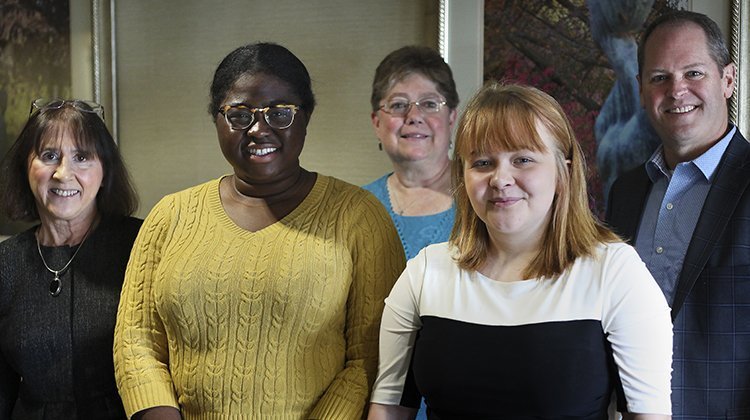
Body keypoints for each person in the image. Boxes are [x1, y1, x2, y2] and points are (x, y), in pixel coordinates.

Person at [113, 42, 406, 419]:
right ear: (216, 119)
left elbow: (371, 357)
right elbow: (136, 341)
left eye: (280, 113)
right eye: (239, 114)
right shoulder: (170, 216)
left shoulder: (358, 216)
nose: (258, 129)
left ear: (306, 117)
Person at [369, 82, 673, 419]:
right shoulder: (425, 272)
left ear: (564, 171)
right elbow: (388, 408)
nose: (501, 178)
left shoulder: (615, 272)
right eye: (482, 162)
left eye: (523, 159)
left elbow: (648, 414)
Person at [606, 10, 749, 418]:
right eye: (659, 78)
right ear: (640, 90)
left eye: (694, 73)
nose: (677, 91)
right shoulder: (626, 192)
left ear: (727, 80)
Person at [0, 98, 142, 419]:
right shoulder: (5, 264)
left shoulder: (140, 245)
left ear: (105, 172)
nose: (64, 174)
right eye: (49, 156)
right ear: (26, 168)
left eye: (82, 157)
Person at [363, 46, 458, 261]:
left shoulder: (486, 196)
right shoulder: (357, 207)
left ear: (451, 118)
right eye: (398, 105)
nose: (414, 116)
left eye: (429, 104)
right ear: (377, 123)